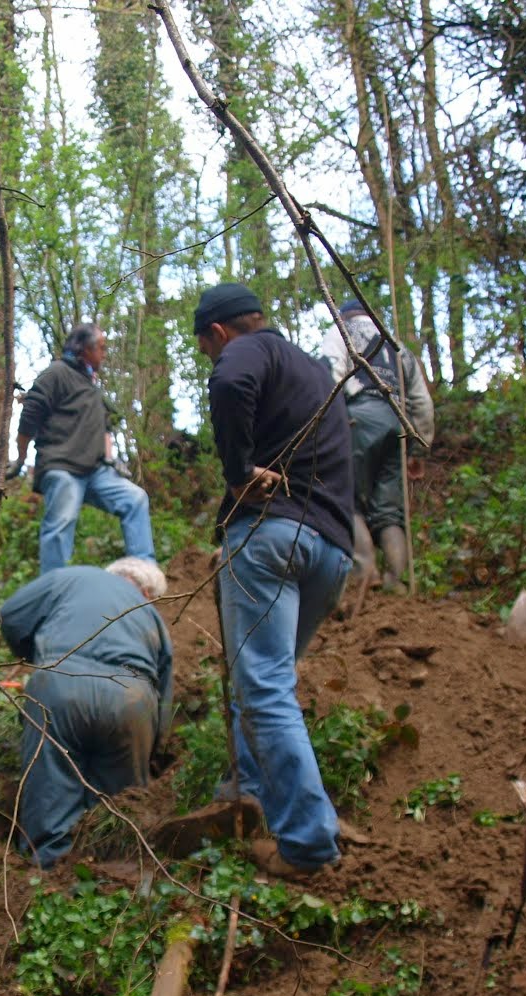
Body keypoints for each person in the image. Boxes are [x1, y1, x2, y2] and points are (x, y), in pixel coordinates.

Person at [193, 283, 356, 882]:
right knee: (266, 682)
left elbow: (231, 382)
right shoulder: (316, 372)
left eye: (208, 349)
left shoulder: (248, 352)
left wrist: (238, 476)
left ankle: (309, 843)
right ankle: (246, 791)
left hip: (271, 538)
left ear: (219, 333)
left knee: (262, 687)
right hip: (331, 550)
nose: (214, 359)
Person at [0, 557, 173, 867]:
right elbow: (164, 695)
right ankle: (112, 877)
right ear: (149, 594)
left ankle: (48, 873)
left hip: (60, 686)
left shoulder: (70, 577)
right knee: (119, 807)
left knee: (49, 779)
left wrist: (35, 657)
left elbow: (10, 615)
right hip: (132, 701)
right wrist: (152, 749)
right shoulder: (153, 618)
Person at [13, 322, 157, 573]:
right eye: (100, 347)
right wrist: (20, 459)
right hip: (62, 466)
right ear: (83, 348)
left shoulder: (90, 385)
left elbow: (105, 427)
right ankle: (55, 589)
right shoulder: (57, 373)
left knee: (135, 499)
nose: (104, 353)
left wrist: (111, 460)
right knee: (62, 521)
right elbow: (30, 413)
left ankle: (143, 573)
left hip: (95, 471)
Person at [319, 299, 434, 591]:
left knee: (345, 497)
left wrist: (329, 426)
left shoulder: (341, 334)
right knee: (388, 511)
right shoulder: (397, 348)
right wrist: (418, 447)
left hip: (357, 418)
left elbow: (329, 376)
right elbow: (421, 401)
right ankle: (397, 581)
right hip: (398, 423)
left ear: (344, 316)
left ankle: (364, 572)